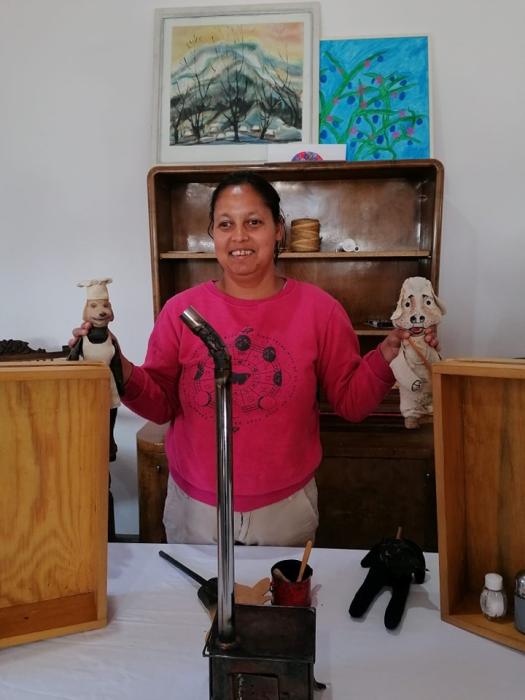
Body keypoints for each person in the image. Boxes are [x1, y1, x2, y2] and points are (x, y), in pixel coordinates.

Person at [70, 172, 439, 546]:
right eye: (225, 224)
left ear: (278, 230)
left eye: (254, 222)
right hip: (195, 508)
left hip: (285, 511)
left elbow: (351, 403)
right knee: (194, 588)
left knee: (278, 587)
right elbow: (161, 404)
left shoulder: (320, 311)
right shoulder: (181, 311)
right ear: (212, 234)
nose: (239, 237)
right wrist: (116, 362)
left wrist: (387, 355)